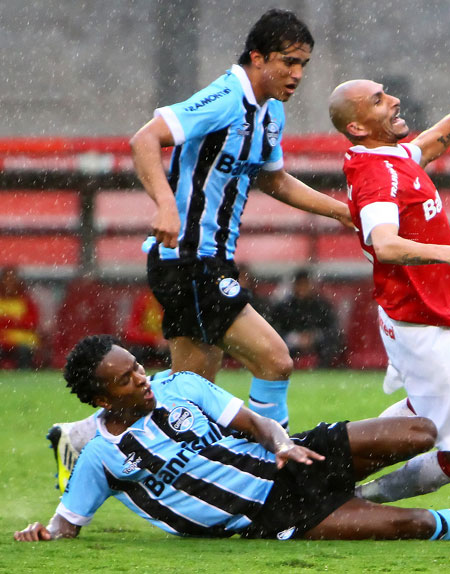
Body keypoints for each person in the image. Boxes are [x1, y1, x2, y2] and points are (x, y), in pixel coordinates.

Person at [47, 9, 352, 490]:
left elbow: (271, 179)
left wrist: (337, 210)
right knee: (275, 360)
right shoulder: (227, 96)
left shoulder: (270, 110)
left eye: (304, 65)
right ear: (257, 57)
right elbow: (144, 139)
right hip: (188, 259)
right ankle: (275, 469)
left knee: (191, 391)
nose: (297, 74)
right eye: (288, 62)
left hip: (207, 260)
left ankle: (83, 439)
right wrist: (165, 206)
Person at [14, 335, 450, 542]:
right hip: (270, 515)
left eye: (136, 366)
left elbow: (253, 423)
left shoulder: (179, 384)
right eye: (126, 379)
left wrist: (280, 442)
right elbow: (66, 525)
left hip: (290, 457)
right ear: (100, 399)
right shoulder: (101, 461)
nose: (141, 377)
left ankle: (365, 492)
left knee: (421, 431)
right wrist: (43, 533)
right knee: (415, 526)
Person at [328, 55, 450, 502]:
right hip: (419, 324)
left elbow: (430, 144)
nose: (394, 100)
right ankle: (358, 500)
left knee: (419, 417)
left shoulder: (389, 157)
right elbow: (384, 243)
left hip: (430, 317)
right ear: (358, 127)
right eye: (379, 99)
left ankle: (324, 470)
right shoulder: (374, 176)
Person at [272, 269, 344, 368]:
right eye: (300, 284)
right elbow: (275, 329)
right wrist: (294, 337)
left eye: (306, 284)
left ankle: (323, 370)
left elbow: (333, 328)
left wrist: (315, 336)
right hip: (290, 343)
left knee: (330, 343)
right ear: (294, 286)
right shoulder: (284, 307)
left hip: (317, 342)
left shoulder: (321, 305)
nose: (303, 288)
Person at [0, 267, 40, 369]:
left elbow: (32, 322)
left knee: (24, 353)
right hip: (2, 341)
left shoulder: (26, 301)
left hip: (23, 342)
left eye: (12, 279)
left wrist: (8, 321)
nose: (9, 283)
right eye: (7, 279)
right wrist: (16, 321)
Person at [122, 287, 170, 367]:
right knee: (135, 353)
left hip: (168, 346)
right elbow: (130, 332)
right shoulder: (144, 301)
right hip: (147, 346)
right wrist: (154, 340)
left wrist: (167, 339)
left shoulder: (171, 303)